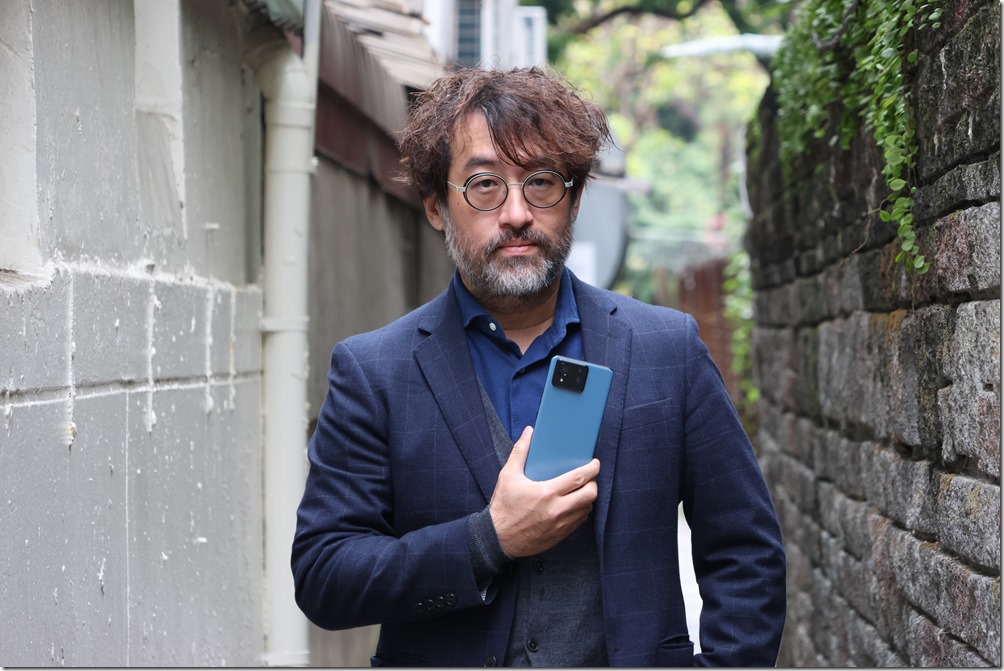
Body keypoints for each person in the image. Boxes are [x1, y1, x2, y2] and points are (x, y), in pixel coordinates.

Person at [292, 66, 786, 667]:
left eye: (542, 183)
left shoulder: (667, 349)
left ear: (574, 200)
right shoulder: (374, 371)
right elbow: (325, 574)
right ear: (436, 207)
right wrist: (488, 539)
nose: (517, 213)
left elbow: (745, 552)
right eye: (484, 185)